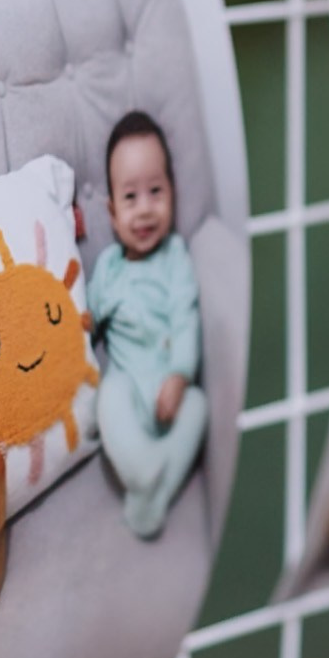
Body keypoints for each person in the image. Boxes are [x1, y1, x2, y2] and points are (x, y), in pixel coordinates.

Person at [89, 111, 207, 539]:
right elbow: (87, 322)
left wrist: (179, 375)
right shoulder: (109, 268)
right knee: (108, 396)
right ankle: (142, 471)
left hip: (169, 391)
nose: (145, 210)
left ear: (173, 193)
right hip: (129, 388)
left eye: (155, 191)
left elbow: (185, 315)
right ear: (112, 211)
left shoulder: (175, 257)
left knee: (199, 406)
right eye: (131, 197)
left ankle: (151, 496)